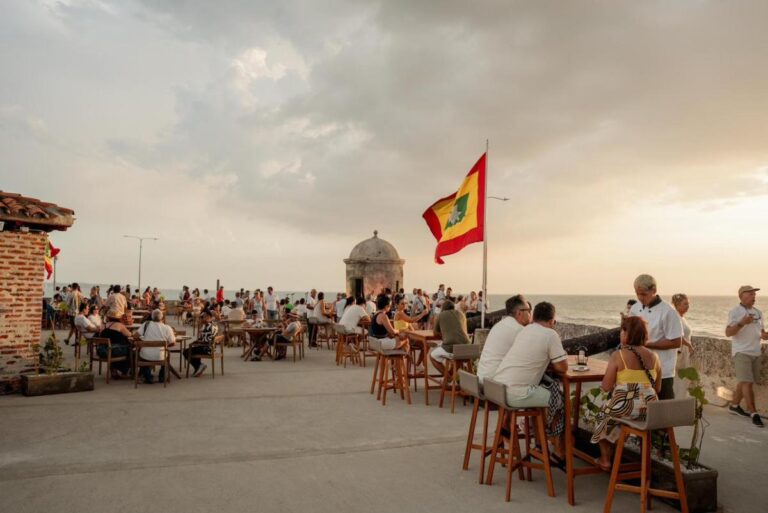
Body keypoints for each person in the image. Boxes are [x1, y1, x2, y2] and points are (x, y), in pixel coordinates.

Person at [492, 301, 568, 456]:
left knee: (540, 397)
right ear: (552, 320)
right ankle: (560, 450)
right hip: (515, 393)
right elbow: (563, 368)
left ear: (533, 316)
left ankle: (539, 443)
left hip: (497, 388)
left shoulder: (525, 331)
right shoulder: (550, 334)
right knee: (561, 400)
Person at [591, 316, 661, 470]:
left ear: (626, 333)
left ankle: (605, 460)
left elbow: (606, 387)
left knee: (603, 416)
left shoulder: (619, 355)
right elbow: (658, 388)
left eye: (622, 331)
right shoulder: (655, 357)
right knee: (618, 417)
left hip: (625, 407)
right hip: (650, 411)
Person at [629, 274, 683, 400]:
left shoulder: (668, 311)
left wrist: (646, 344)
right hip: (639, 367)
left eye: (643, 294)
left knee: (664, 410)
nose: (640, 298)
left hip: (663, 370)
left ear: (654, 290)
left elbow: (676, 342)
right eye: (638, 294)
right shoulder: (635, 308)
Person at [726, 285, 768, 427]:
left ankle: (734, 405)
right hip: (741, 352)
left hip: (756, 352)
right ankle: (753, 413)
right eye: (750, 294)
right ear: (741, 296)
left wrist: (764, 335)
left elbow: (761, 331)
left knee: (744, 382)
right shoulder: (735, 312)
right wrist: (742, 322)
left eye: (754, 294)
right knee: (747, 383)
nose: (753, 296)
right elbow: (728, 333)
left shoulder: (758, 312)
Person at [476, 295, 532, 383]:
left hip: (482, 379)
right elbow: (532, 357)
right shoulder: (519, 330)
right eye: (528, 310)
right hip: (495, 385)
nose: (530, 314)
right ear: (519, 313)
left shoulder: (499, 325)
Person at [429, 300, 470, 376]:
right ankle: (450, 376)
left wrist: (444, 335)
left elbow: (435, 333)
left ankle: (448, 378)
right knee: (457, 357)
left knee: (432, 356)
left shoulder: (441, 315)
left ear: (443, 308)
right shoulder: (461, 314)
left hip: (452, 348)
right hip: (467, 348)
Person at [135, 309, 175, 384]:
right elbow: (173, 343)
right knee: (166, 355)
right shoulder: (167, 328)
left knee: (141, 354)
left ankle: (148, 377)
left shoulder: (146, 324)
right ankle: (162, 377)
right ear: (162, 318)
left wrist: (144, 342)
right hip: (161, 355)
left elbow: (135, 336)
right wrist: (165, 345)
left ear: (152, 317)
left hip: (146, 355)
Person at [672, 293, 695, 398]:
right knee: (678, 382)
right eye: (685, 304)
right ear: (677, 305)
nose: (688, 307)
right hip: (679, 353)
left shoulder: (681, 318)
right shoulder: (675, 317)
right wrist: (688, 344)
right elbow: (675, 335)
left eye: (688, 304)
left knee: (682, 382)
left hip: (684, 354)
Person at [184, 310, 218, 377]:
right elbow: (205, 338)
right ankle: (198, 367)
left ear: (208, 317)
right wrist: (197, 341)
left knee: (185, 352)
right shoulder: (213, 324)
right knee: (193, 349)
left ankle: (199, 366)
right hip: (211, 348)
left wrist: (197, 342)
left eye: (203, 317)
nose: (201, 319)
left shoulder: (208, 326)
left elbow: (206, 340)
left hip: (207, 349)